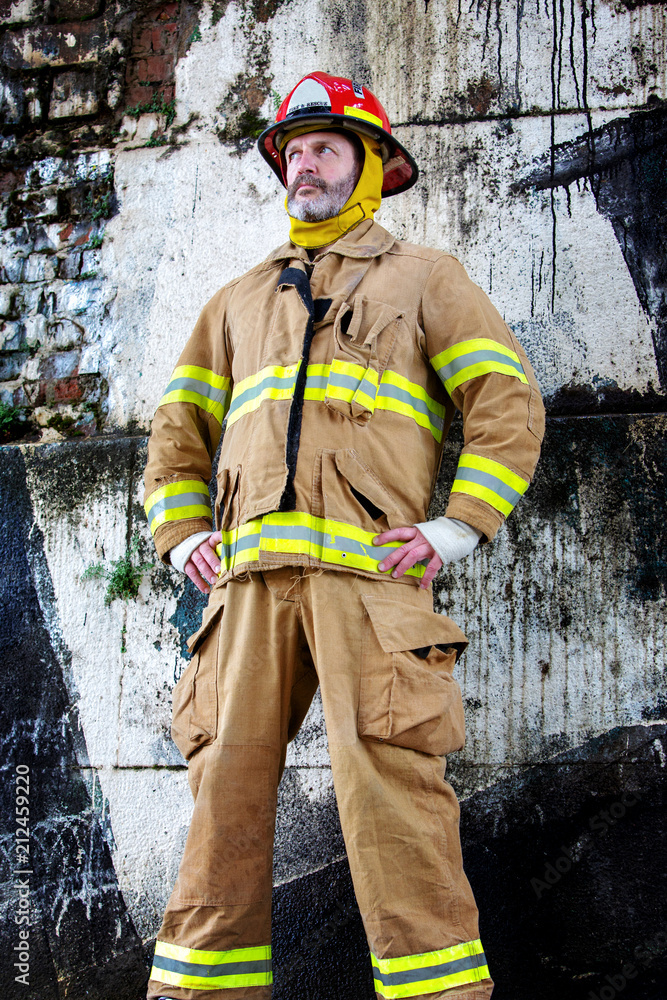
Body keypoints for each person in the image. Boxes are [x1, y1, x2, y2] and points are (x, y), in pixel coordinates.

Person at [143, 71, 544, 1000]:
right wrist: (182, 532)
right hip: (246, 591)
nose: (304, 166)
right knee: (221, 807)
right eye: (293, 152)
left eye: (325, 148)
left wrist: (458, 528)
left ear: (370, 166)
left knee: (392, 800)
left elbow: (504, 401)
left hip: (371, 586)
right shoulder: (238, 300)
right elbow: (177, 427)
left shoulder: (425, 278)